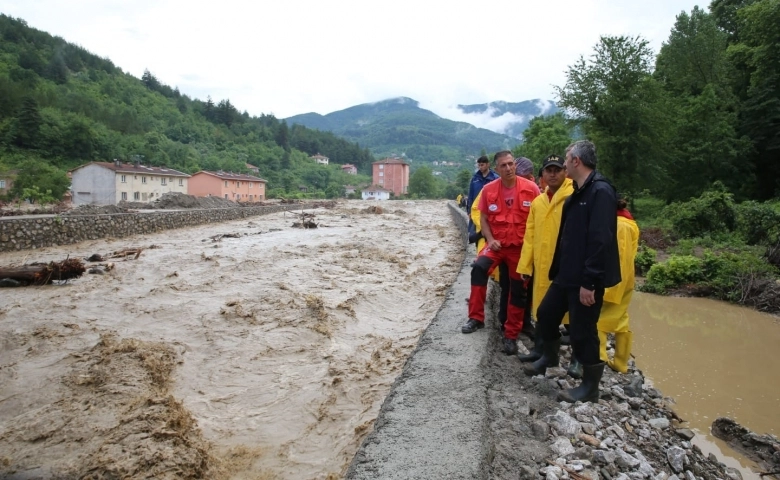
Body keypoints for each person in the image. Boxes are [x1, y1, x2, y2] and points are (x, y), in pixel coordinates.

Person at [522, 140, 621, 404]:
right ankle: (550, 356)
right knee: (545, 314)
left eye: (566, 159)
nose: (563, 164)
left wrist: (590, 281)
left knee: (582, 330)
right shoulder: (579, 191)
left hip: (585, 279)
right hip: (566, 274)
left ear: (576, 161)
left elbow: (601, 239)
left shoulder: (600, 191)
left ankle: (590, 387)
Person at [462, 151, 540, 357]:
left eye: (510, 164)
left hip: (520, 249)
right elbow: (484, 219)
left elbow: (540, 218)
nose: (508, 168)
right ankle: (476, 318)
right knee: (478, 268)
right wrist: (489, 239)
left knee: (518, 288)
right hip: (496, 245)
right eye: (503, 166)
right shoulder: (488, 190)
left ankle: (511, 334)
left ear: (515, 165)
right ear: (496, 169)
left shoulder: (531, 189)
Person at [516, 155, 574, 363]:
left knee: (572, 315)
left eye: (556, 170)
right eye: (548, 170)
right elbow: (529, 236)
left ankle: (578, 359)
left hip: (566, 266)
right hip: (542, 265)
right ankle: (541, 351)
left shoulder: (573, 196)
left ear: (565, 172)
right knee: (542, 310)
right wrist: (525, 265)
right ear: (542, 175)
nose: (552, 174)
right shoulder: (538, 203)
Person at [598, 198, 639, 373]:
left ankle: (599, 358)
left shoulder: (620, 225)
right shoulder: (630, 223)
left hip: (614, 281)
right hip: (627, 280)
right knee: (621, 319)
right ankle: (621, 363)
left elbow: (619, 257)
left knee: (597, 320)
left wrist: (609, 287)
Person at [466, 155, 499, 246]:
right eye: (479, 165)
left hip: (490, 210)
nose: (480, 167)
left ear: (488, 164)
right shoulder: (475, 179)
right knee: (477, 233)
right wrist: (469, 211)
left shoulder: (495, 178)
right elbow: (471, 195)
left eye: (482, 165)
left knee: (489, 231)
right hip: (477, 210)